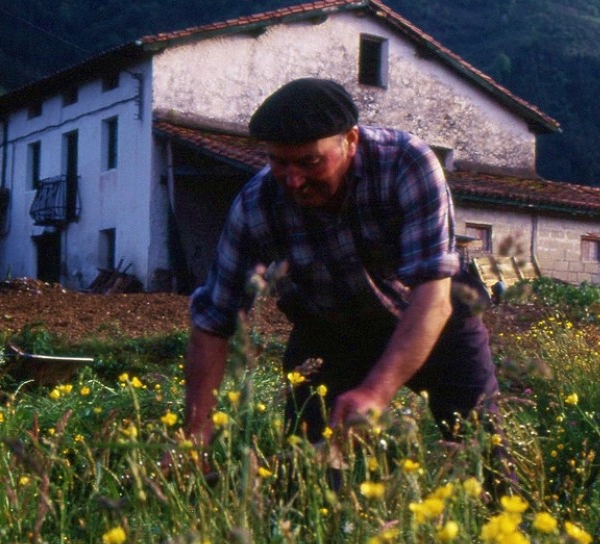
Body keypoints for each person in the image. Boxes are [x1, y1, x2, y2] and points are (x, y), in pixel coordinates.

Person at [181, 77, 502, 466]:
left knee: (484, 455)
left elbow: (433, 300)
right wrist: (194, 440)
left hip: (432, 318)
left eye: (309, 162)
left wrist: (377, 391)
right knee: (309, 476)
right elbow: (213, 322)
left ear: (350, 140)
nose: (293, 180)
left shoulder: (407, 164)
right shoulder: (255, 206)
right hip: (331, 333)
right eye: (279, 162)